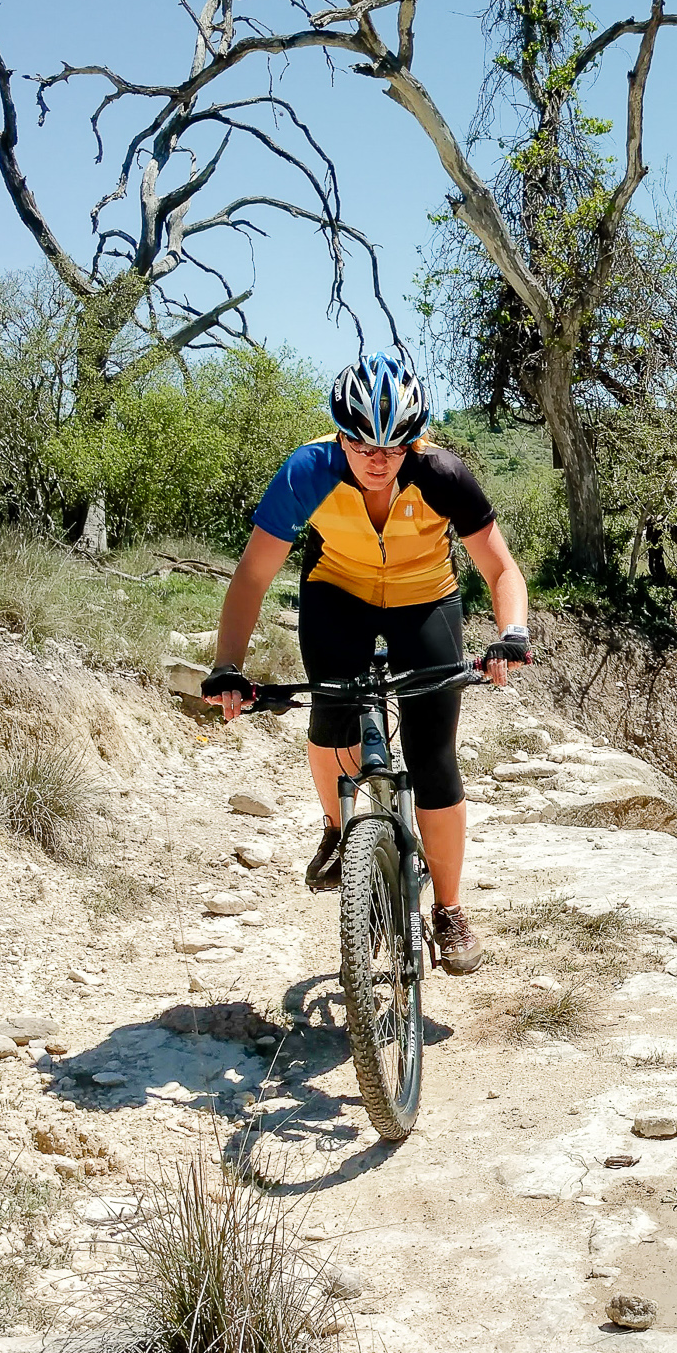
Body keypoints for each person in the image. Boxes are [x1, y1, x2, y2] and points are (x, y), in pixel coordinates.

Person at [200, 352, 528, 975]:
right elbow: (252, 577)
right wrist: (228, 664)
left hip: (425, 599)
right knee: (331, 718)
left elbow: (500, 568)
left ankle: (451, 909)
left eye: (393, 445)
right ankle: (339, 826)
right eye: (360, 444)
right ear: (339, 434)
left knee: (434, 757)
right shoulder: (307, 471)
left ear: (414, 439)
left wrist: (511, 632)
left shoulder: (443, 475)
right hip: (338, 594)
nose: (377, 460)